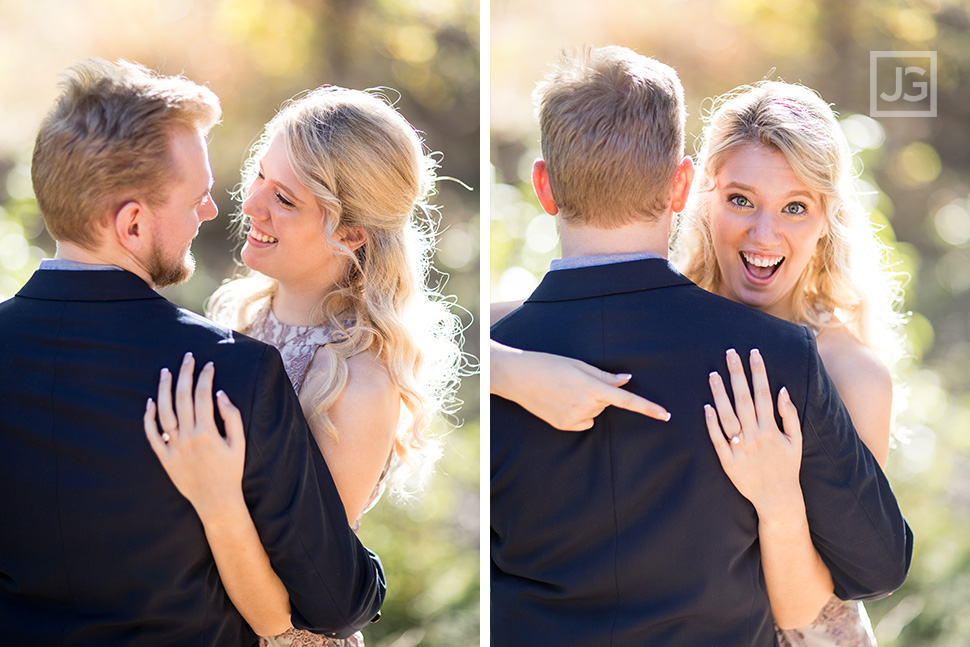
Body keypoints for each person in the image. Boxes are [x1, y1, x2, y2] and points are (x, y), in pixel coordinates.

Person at [490, 46, 912, 646]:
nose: (763, 234)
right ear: (696, 191)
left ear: (827, 220)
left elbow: (824, 598)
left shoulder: (845, 372)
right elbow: (475, 327)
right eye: (741, 199)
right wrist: (505, 369)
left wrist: (778, 499)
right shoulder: (657, 314)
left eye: (795, 207)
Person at [0, 59, 385, 645]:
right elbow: (336, 602)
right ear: (131, 224)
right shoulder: (230, 374)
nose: (211, 211)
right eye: (196, 198)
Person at [143, 86, 463, 646]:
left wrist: (212, 495)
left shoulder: (358, 377)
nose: (251, 204)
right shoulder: (237, 311)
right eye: (261, 176)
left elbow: (302, 601)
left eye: (285, 199)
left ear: (351, 233)